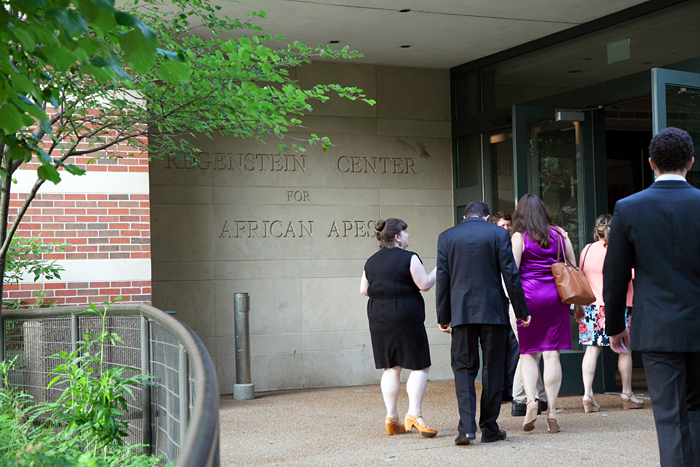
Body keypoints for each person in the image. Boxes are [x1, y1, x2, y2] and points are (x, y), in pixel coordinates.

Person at [604, 127, 700, 467]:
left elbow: (615, 275)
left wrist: (615, 325)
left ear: (650, 163)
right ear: (691, 162)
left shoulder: (628, 208)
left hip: (657, 327)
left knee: (670, 418)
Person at [436, 201, 530, 446]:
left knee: (464, 369)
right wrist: (521, 310)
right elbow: (510, 274)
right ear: (487, 217)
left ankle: (466, 429)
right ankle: (489, 428)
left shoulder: (446, 237)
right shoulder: (499, 233)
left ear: (465, 216)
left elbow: (443, 279)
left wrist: (442, 316)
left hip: (461, 313)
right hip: (493, 311)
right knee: (493, 368)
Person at [360, 218, 438, 437]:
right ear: (397, 237)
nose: (408, 236)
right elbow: (424, 284)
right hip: (405, 313)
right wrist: (441, 267)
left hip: (378, 316)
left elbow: (363, 290)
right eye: (405, 233)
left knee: (391, 366)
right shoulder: (409, 258)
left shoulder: (371, 261)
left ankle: (391, 417)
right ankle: (414, 414)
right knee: (419, 365)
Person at [511, 193, 575, 434]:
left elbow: (512, 272)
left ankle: (530, 402)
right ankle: (552, 411)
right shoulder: (559, 234)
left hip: (529, 298)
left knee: (528, 354)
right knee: (551, 355)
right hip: (556, 298)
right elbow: (572, 265)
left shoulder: (519, 237)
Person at [577, 214, 643, 413]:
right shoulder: (622, 249)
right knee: (624, 349)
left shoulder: (587, 249)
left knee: (591, 350)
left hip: (592, 306)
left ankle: (587, 395)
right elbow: (632, 275)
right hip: (620, 305)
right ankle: (627, 393)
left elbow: (580, 275)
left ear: (596, 231)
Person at [491, 212, 521, 404]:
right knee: (497, 347)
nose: (507, 228)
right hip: (496, 302)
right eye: (502, 225)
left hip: (510, 301)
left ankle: (509, 388)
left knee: (514, 347)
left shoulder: (515, 246)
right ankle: (498, 388)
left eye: (509, 225)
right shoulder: (492, 246)